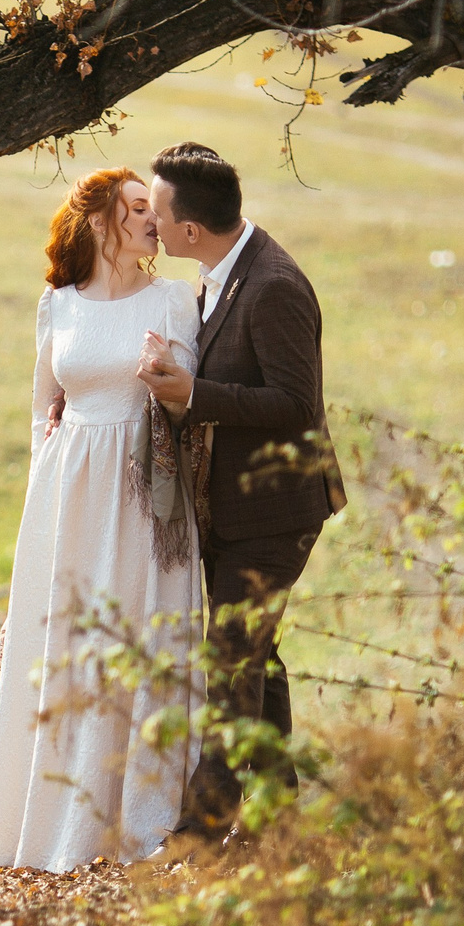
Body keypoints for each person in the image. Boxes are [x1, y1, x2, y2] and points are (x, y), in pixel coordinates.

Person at [0, 167, 205, 873]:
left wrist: (164, 386)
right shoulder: (58, 304)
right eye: (137, 207)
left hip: (144, 494)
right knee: (73, 644)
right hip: (68, 493)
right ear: (103, 220)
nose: (153, 219)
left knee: (138, 638)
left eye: (154, 208)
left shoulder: (174, 302)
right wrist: (36, 514)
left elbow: (189, 410)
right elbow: (40, 410)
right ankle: (57, 827)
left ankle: (142, 827)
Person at [134, 142, 343, 835]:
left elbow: (293, 403)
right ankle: (283, 815)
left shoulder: (275, 284)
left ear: (190, 228)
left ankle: (201, 835)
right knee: (257, 659)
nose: (152, 223)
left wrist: (195, 394)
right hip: (230, 513)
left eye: (159, 212)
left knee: (230, 662)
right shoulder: (218, 271)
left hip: (276, 514)